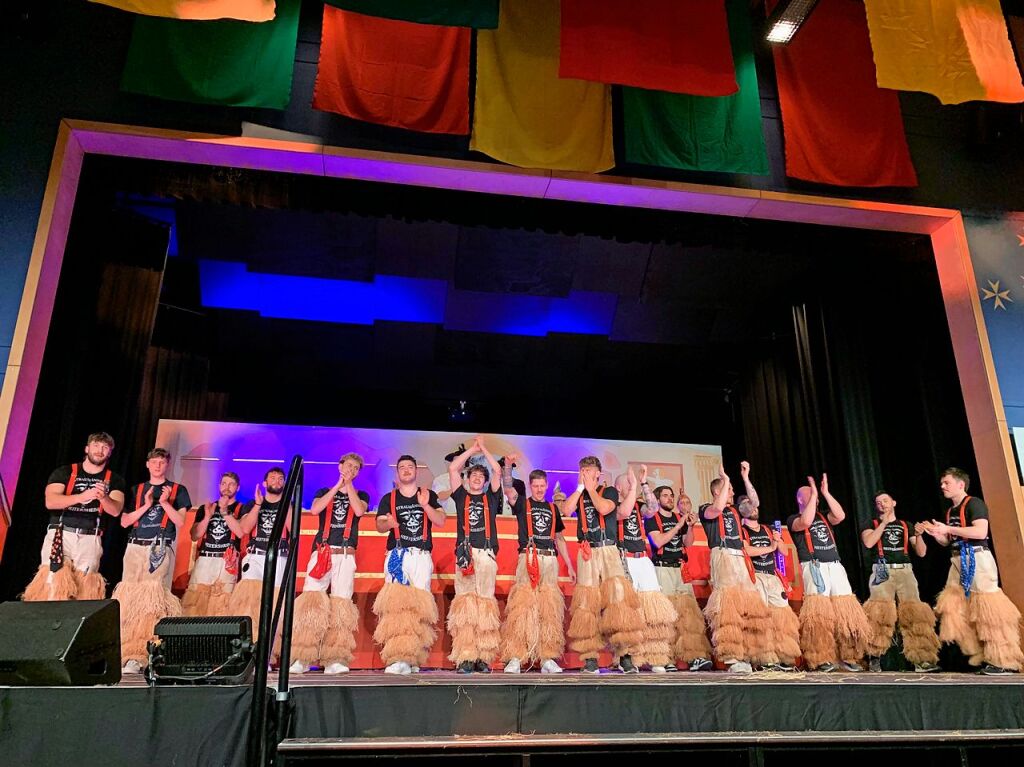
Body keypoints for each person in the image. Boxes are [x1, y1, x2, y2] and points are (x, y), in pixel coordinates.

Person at [923, 467, 1023, 674]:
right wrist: (937, 534)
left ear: (961, 484)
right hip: (958, 560)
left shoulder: (974, 504)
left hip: (977, 558)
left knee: (988, 610)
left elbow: (980, 531)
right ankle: (980, 654)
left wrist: (948, 529)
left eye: (946, 483)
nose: (942, 486)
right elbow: (947, 541)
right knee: (952, 608)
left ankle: (1004, 660)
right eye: (941, 483)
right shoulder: (950, 511)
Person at [563, 455, 645, 674]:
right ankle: (590, 657)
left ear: (598, 473)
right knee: (587, 606)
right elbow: (565, 510)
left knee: (617, 601)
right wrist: (581, 488)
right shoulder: (579, 494)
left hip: (608, 550)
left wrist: (590, 489)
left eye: (589, 471)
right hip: (587, 551)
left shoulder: (608, 491)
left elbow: (605, 509)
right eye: (582, 471)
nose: (586, 474)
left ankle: (624, 655)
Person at [114, 448, 192, 673]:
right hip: (135, 546)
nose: (158, 466)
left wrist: (166, 503)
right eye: (154, 462)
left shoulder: (178, 490)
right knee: (128, 600)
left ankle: (145, 654)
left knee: (152, 601)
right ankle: (126, 651)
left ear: (167, 465)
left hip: (159, 547)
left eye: (162, 462)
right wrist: (147, 505)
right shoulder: (136, 489)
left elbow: (179, 521)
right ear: (147, 464)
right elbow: (125, 521)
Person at [290, 453, 369, 675]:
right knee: (311, 604)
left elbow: (360, 510)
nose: (351, 470)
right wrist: (338, 485)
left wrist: (349, 485)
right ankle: (302, 657)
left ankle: (334, 658)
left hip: (345, 553)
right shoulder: (324, 491)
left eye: (356, 468)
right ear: (340, 465)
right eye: (348, 466)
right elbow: (315, 509)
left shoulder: (361, 493)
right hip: (322, 552)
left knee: (341, 605)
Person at [24, 432, 126, 602]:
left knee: (85, 587)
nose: (100, 450)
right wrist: (82, 496)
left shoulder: (114, 480)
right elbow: (51, 502)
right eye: (96, 445)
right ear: (87, 448)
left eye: (105, 447)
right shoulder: (65, 472)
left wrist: (103, 497)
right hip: (61, 534)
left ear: (109, 453)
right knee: (53, 583)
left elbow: (115, 510)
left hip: (90, 537)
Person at [787, 474, 870, 672]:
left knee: (845, 612)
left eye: (816, 496)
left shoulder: (824, 516)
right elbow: (806, 521)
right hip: (815, 567)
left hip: (835, 566)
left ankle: (848, 656)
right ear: (800, 499)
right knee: (819, 614)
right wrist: (814, 492)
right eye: (811, 495)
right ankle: (822, 657)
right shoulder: (793, 519)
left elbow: (840, 515)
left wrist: (825, 492)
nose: (816, 498)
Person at [372, 454, 446, 675]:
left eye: (410, 467)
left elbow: (441, 521)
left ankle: (413, 656)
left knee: (420, 608)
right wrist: (389, 524)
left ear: (416, 471)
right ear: (397, 473)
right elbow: (379, 525)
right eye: (402, 467)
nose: (406, 470)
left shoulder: (428, 495)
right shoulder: (389, 498)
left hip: (422, 556)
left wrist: (425, 506)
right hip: (398, 555)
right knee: (397, 607)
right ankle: (398, 657)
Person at [500, 459, 576, 674]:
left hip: (549, 559)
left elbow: (560, 539)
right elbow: (508, 488)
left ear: (547, 485)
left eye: (543, 485)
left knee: (548, 610)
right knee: (522, 608)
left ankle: (547, 658)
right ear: (530, 486)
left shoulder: (553, 508)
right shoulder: (522, 503)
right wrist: (507, 467)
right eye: (536, 486)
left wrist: (569, 565)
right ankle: (515, 657)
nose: (540, 489)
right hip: (529, 557)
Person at [699, 462, 769, 673]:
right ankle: (732, 658)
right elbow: (717, 508)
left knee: (746, 608)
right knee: (728, 608)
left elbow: (754, 502)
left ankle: (747, 654)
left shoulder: (737, 510)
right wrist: (726, 479)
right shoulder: (705, 509)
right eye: (729, 489)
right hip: (723, 556)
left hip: (740, 557)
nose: (733, 492)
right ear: (718, 491)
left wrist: (745, 478)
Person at [860, 491, 940, 672]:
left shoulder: (906, 525)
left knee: (914, 615)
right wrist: (884, 524)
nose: (882, 504)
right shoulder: (870, 523)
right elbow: (869, 543)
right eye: (878, 502)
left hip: (905, 570)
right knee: (879, 614)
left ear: (894, 503)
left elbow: (921, 552)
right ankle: (874, 657)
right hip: (882, 570)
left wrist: (919, 535)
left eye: (885, 501)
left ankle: (922, 660)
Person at [447, 437, 504, 673]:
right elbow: (453, 468)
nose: (478, 478)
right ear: (468, 480)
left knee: (486, 606)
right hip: (466, 556)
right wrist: (473, 449)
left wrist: (485, 449)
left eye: (481, 476)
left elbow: (498, 470)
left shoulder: (491, 496)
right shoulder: (461, 496)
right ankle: (466, 656)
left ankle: (484, 656)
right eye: (474, 476)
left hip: (487, 555)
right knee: (466, 607)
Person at [644, 489, 713, 672]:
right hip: (662, 568)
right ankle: (665, 658)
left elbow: (688, 543)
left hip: (680, 569)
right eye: (665, 496)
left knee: (688, 615)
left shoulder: (678, 517)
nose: (670, 498)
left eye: (671, 495)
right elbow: (658, 542)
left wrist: (689, 526)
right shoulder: (652, 518)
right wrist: (678, 525)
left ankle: (693, 657)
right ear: (658, 499)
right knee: (664, 617)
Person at [617, 466, 678, 673]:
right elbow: (622, 513)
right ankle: (630, 657)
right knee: (630, 612)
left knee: (653, 611)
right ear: (619, 488)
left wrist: (643, 483)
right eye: (628, 484)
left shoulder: (639, 506)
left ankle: (656, 656)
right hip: (625, 561)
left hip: (643, 560)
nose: (631, 487)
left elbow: (652, 507)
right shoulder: (614, 507)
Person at [228, 467, 292, 645]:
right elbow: (245, 529)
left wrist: (286, 503)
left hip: (279, 557)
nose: (277, 482)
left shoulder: (288, 504)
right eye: (272, 478)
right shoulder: (252, 504)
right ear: (264, 483)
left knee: (275, 605)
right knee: (250, 601)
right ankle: (250, 646)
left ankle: (269, 651)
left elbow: (294, 529)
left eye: (281, 479)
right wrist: (258, 505)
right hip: (256, 556)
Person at [738, 497, 801, 671]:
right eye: (748, 505)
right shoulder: (742, 531)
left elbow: (784, 552)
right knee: (760, 619)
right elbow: (748, 551)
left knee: (781, 617)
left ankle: (783, 656)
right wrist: (771, 548)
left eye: (755, 505)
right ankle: (764, 658)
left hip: (773, 577)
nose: (753, 508)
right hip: (755, 578)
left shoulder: (767, 528)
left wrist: (778, 540)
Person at [182, 472, 245, 617]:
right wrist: (207, 517)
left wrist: (224, 512)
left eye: (231, 484)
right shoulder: (206, 508)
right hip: (205, 559)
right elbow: (195, 535)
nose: (226, 487)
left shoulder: (241, 508)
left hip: (227, 561)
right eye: (223, 483)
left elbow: (241, 532)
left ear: (238, 487)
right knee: (196, 602)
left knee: (222, 603)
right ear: (219, 486)